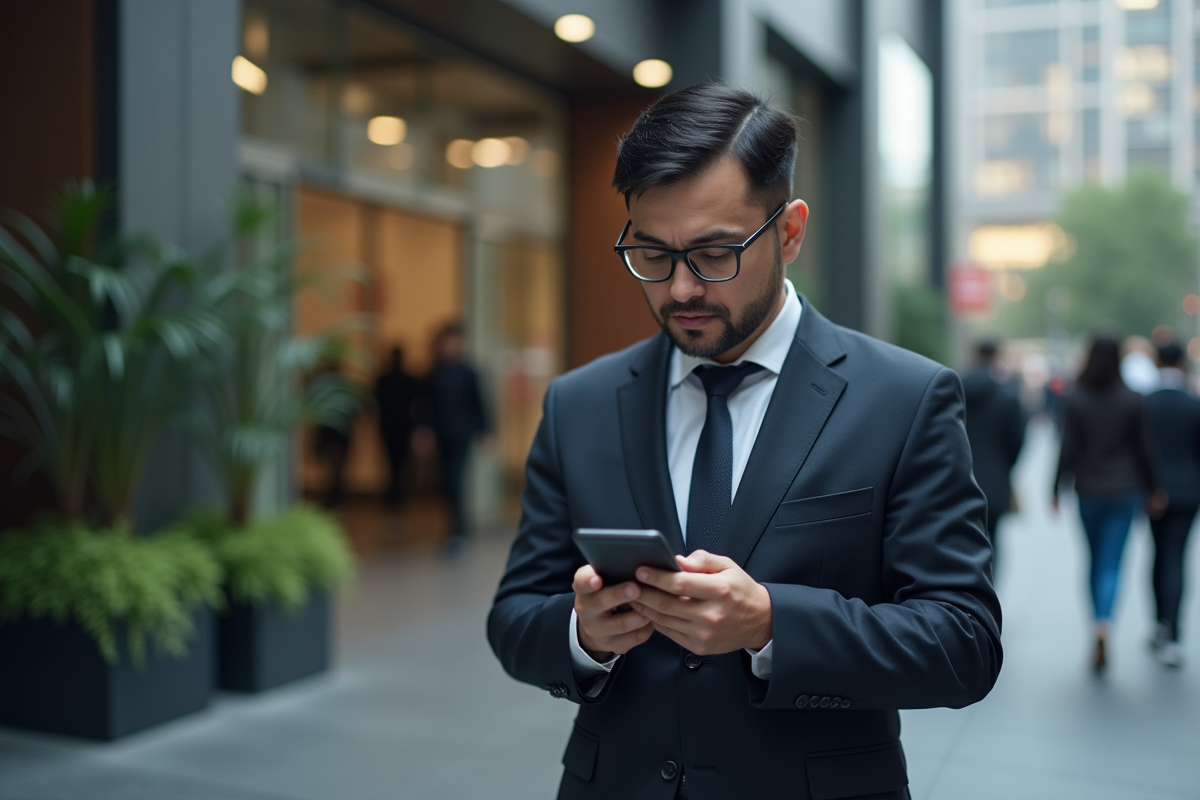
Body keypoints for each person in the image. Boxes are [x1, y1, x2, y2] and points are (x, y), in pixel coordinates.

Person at [488, 84, 1001, 800]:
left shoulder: (904, 399)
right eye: (651, 253)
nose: (680, 289)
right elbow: (513, 617)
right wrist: (582, 632)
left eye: (715, 253)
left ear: (789, 231)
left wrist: (771, 624)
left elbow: (963, 645)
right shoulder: (580, 403)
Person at [1053, 334, 1162, 674]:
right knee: (1112, 561)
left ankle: (1095, 625)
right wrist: (1154, 488)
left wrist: (1055, 488)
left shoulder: (1077, 398)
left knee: (1093, 558)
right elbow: (1144, 450)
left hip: (1088, 489)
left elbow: (1067, 448)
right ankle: (1105, 622)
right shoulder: (1132, 400)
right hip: (1124, 489)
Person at [1144, 340, 1200, 668]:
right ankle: (1173, 634)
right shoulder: (1194, 404)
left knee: (1158, 554)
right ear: (1181, 364)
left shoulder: (1145, 403)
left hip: (1154, 492)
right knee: (1176, 558)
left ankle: (1160, 623)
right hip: (1189, 492)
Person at [962, 340, 1027, 572]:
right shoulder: (1007, 396)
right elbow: (1017, 442)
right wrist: (1005, 467)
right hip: (995, 481)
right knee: (992, 542)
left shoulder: (954, 391)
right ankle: (987, 597)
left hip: (956, 479)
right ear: (996, 356)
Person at [427, 322, 488, 552]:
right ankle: (452, 529)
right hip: (442, 434)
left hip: (463, 434)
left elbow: (479, 402)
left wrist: (486, 431)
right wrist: (425, 431)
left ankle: (460, 530)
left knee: (455, 480)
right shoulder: (435, 372)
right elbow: (428, 407)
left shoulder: (468, 373)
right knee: (445, 482)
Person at [375, 345, 420, 509]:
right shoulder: (408, 380)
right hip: (402, 427)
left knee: (391, 465)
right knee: (400, 466)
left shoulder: (383, 379)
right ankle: (397, 500)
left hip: (389, 427)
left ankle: (394, 500)